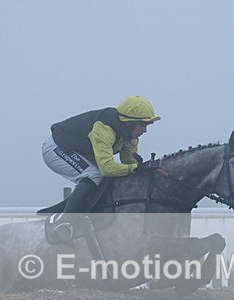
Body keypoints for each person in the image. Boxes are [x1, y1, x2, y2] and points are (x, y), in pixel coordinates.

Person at [42, 96, 162, 245]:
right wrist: (137, 168)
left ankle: (59, 212)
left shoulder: (129, 135)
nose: (144, 130)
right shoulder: (105, 128)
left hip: (79, 151)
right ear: (129, 123)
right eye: (142, 125)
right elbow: (107, 168)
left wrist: (145, 169)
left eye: (147, 125)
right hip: (57, 148)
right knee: (94, 175)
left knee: (107, 178)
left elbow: (129, 163)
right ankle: (62, 224)